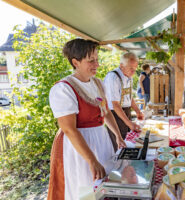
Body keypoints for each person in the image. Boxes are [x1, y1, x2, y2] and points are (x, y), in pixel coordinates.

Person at [48, 39, 126, 200]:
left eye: (97, 59)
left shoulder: (97, 83)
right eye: (91, 60)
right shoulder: (63, 88)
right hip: (79, 146)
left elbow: (106, 113)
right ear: (75, 62)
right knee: (84, 187)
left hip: (101, 139)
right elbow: (69, 129)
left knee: (102, 185)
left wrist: (117, 135)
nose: (96, 64)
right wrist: (91, 159)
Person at [104, 52, 144, 152]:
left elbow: (129, 97)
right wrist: (129, 123)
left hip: (125, 112)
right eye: (131, 68)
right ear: (121, 65)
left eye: (135, 68)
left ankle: (127, 165)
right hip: (114, 115)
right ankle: (118, 166)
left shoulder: (128, 77)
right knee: (118, 145)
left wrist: (138, 111)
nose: (133, 72)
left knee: (127, 143)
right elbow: (115, 105)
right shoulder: (113, 78)